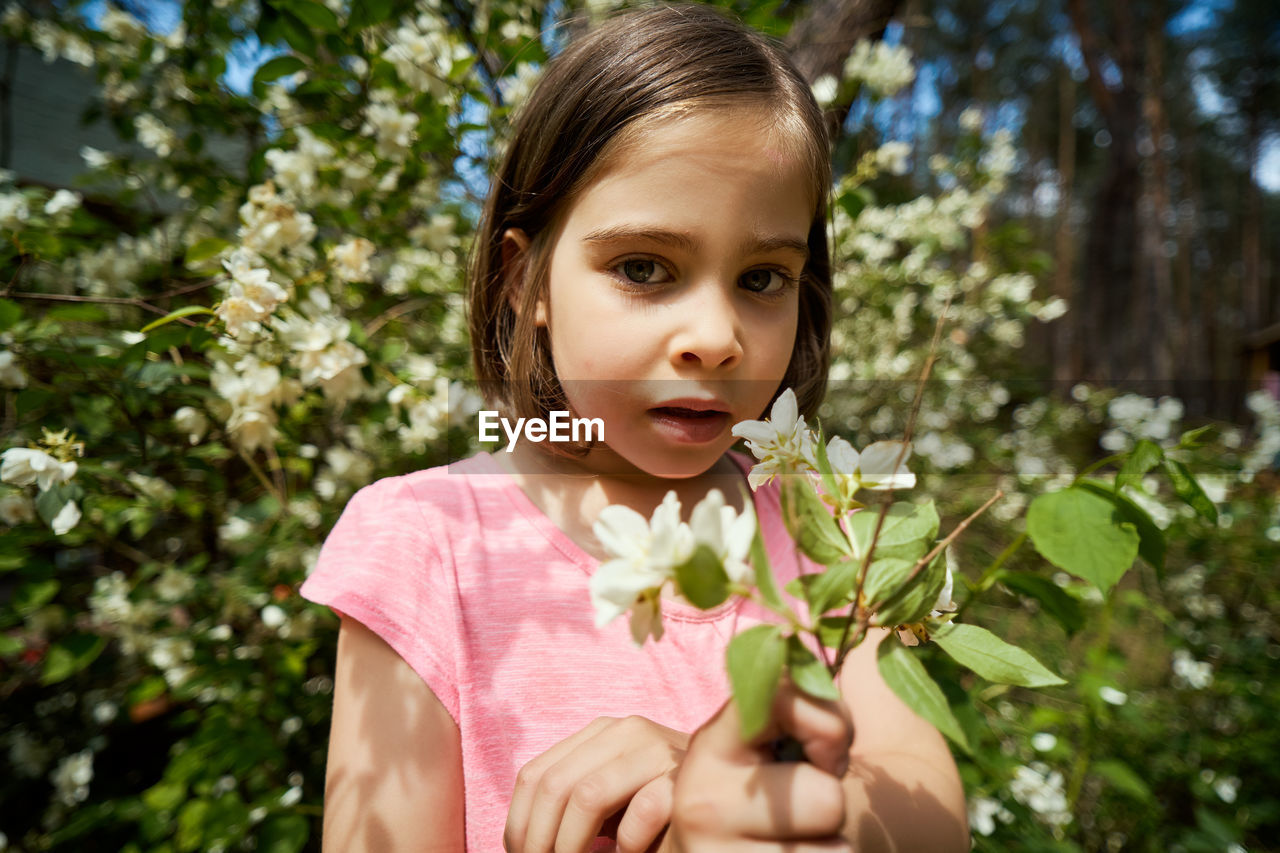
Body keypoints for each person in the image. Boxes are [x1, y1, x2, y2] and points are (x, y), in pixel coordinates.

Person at [300, 4, 969, 851]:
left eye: (763, 277)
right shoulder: (425, 544)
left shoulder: (826, 527)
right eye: (643, 268)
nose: (716, 338)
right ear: (525, 283)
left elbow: (930, 813)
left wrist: (721, 796)